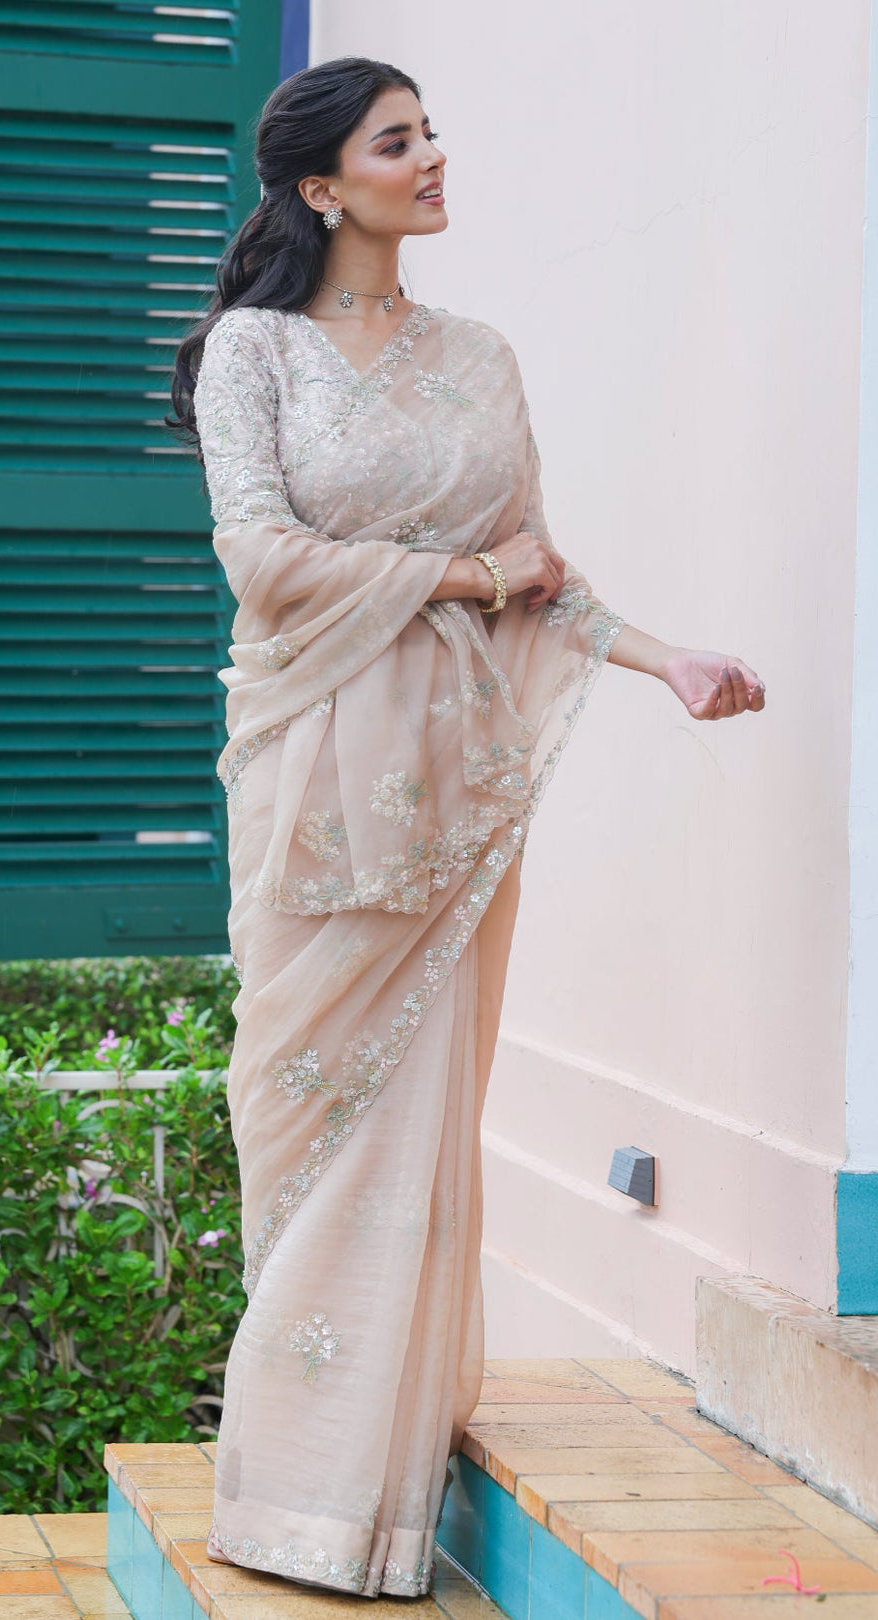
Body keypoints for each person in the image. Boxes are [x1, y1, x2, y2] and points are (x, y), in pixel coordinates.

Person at [168, 55, 765, 1602]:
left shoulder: (481, 356)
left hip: (451, 803)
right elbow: (262, 561)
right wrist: (462, 580)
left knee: (421, 1118)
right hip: (311, 789)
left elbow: (545, 573)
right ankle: (295, 1497)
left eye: (432, 132)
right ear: (322, 186)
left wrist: (667, 660)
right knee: (304, 1111)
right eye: (398, 140)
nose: (434, 156)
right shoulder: (256, 354)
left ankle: (375, 1495)